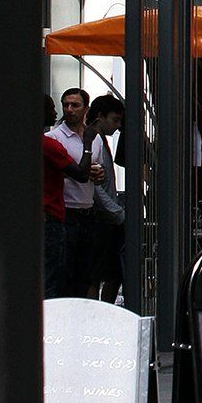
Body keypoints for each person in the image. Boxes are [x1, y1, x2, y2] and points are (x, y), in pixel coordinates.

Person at [45, 88, 102, 297]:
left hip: (88, 210)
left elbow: (95, 168)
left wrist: (98, 174)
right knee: (63, 274)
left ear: (86, 109)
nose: (69, 110)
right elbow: (75, 172)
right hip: (65, 212)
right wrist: (83, 172)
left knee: (85, 274)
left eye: (75, 105)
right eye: (65, 105)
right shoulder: (53, 138)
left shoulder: (94, 138)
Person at [87, 94, 125, 303]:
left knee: (110, 272)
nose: (117, 126)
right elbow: (95, 187)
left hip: (106, 215)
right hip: (103, 217)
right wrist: (117, 212)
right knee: (101, 272)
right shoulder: (93, 140)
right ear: (100, 116)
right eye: (114, 120)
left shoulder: (99, 140)